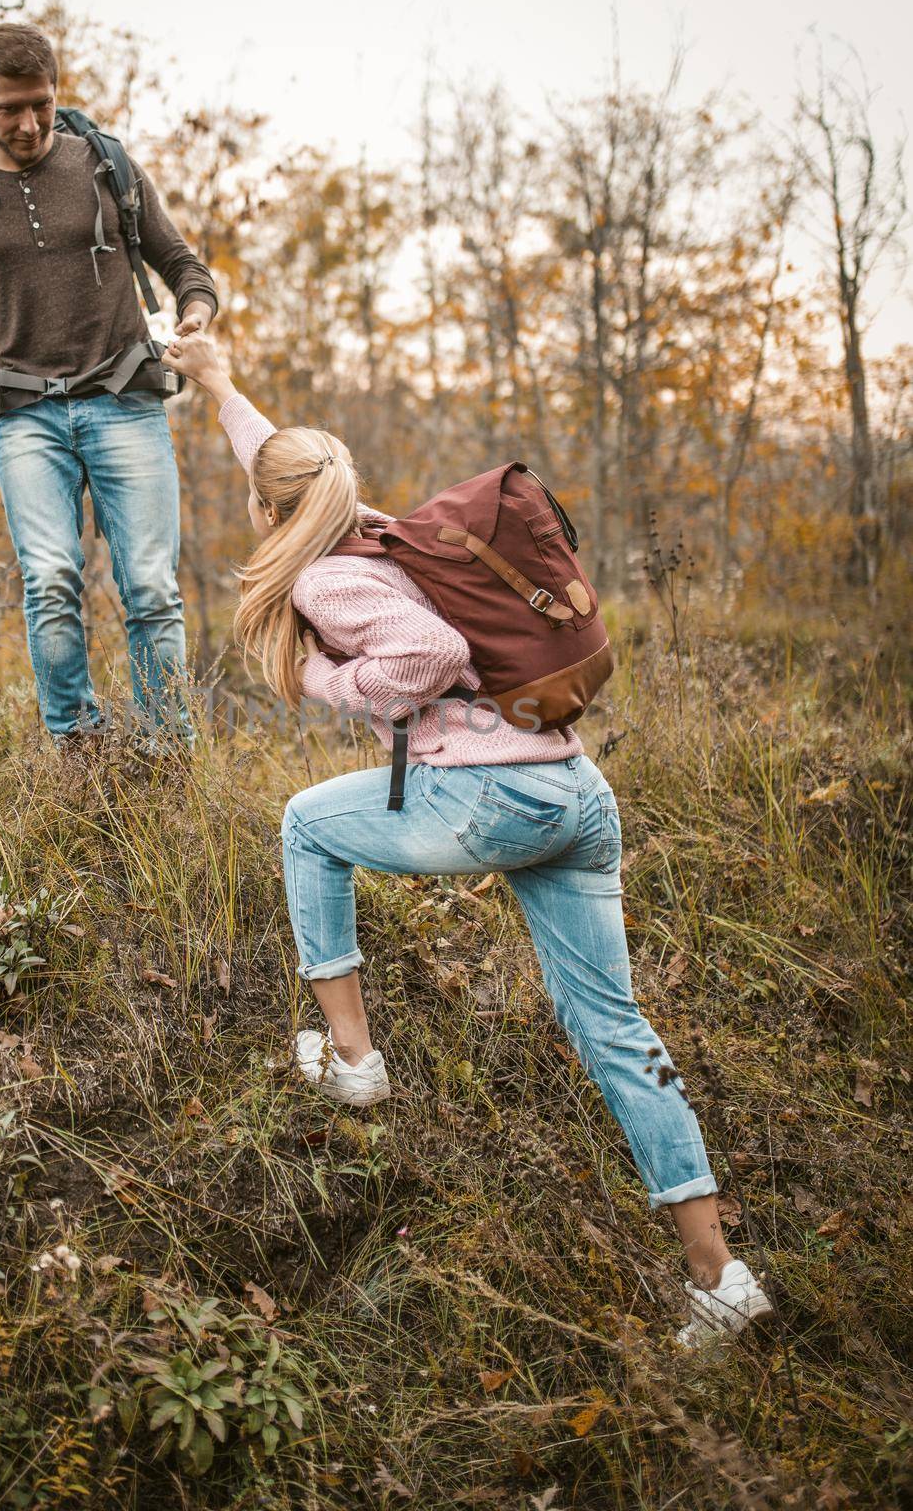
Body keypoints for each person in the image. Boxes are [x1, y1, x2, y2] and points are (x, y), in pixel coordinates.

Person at [160, 330, 774, 1348]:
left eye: (257, 499)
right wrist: (219, 382)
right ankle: (720, 1277)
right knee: (612, 1029)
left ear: (272, 512)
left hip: (497, 800)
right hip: (576, 795)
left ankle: (353, 1058)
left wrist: (330, 682)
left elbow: (433, 652)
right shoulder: (367, 523)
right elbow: (274, 458)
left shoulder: (324, 580)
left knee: (308, 823)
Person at [0, 22, 218, 746]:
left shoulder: (108, 167)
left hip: (125, 401)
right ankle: (79, 750)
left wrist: (194, 312)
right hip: (23, 416)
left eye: (42, 102)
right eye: (9, 108)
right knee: (50, 584)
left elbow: (185, 266)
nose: (30, 123)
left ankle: (168, 753)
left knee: (153, 594)